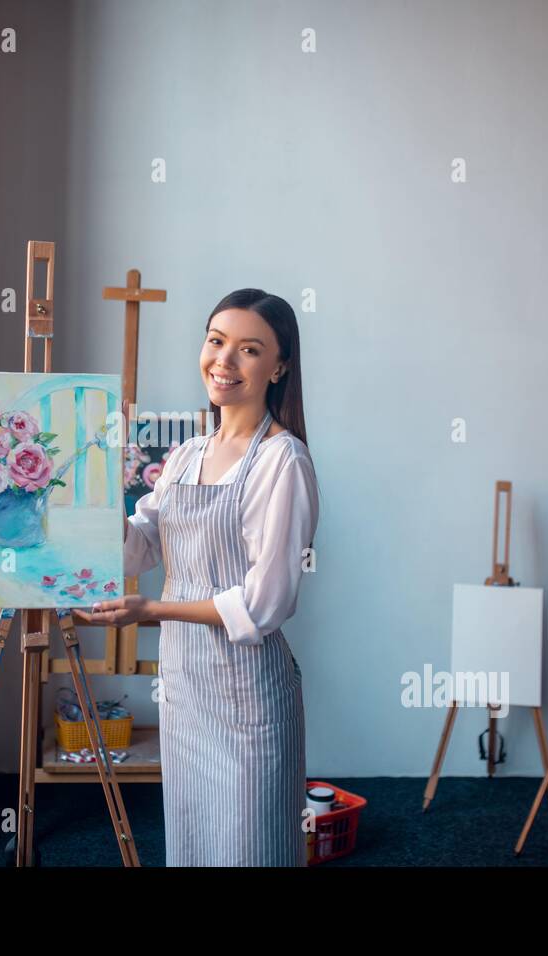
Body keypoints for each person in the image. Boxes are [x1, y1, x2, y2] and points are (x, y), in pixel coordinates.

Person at [76, 288, 321, 866]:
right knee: (193, 844)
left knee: (249, 848)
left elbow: (265, 604)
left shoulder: (282, 462)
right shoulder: (185, 456)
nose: (225, 361)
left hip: (248, 695)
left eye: (249, 349)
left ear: (279, 366)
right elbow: (139, 552)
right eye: (216, 342)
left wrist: (152, 611)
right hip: (185, 687)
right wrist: (100, 499)